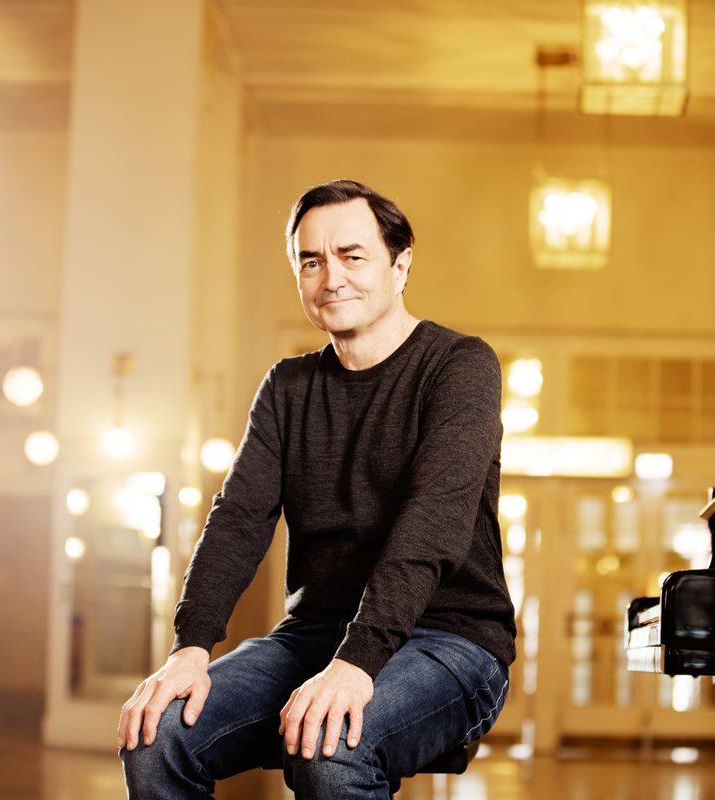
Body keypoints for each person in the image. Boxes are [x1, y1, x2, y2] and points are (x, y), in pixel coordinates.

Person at [117, 179, 516, 799]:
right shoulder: (288, 387)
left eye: (352, 256)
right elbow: (237, 520)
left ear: (400, 265)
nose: (331, 278)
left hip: (451, 640)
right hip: (312, 636)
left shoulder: (459, 366)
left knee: (332, 745)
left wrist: (357, 663)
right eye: (311, 261)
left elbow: (431, 524)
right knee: (158, 732)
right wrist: (189, 648)